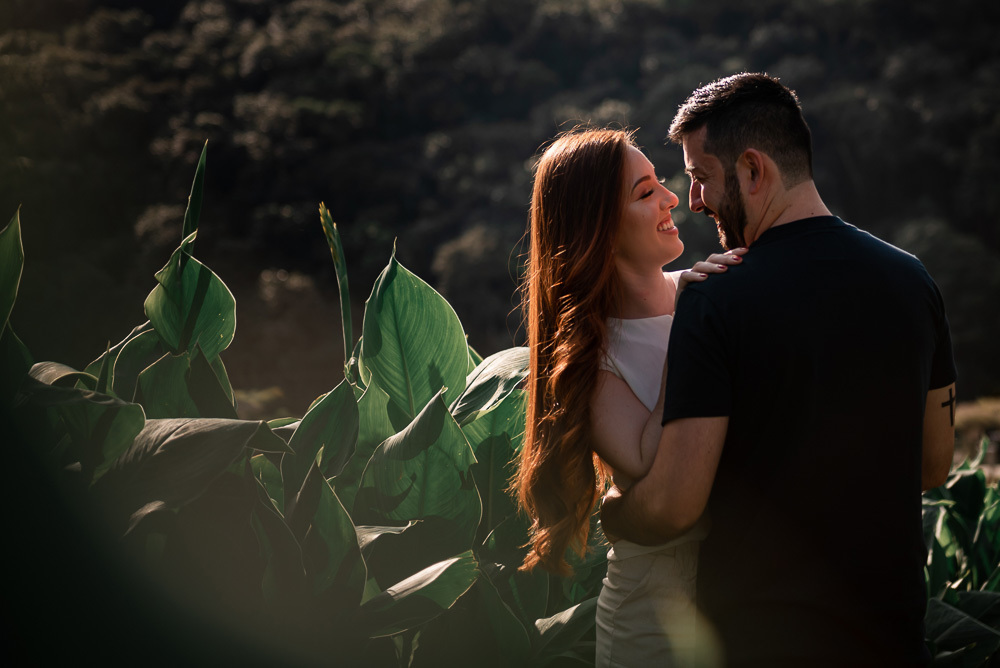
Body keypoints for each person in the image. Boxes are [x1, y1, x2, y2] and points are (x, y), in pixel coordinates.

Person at [600, 73, 957, 667]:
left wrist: (613, 512)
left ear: (752, 170)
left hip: (763, 641)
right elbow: (933, 462)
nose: (692, 202)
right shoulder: (913, 280)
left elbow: (672, 507)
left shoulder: (716, 300)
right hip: (892, 638)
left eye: (700, 177)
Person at [512, 127, 743, 667]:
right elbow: (647, 462)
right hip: (651, 616)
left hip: (740, 603)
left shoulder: (709, 289)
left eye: (660, 183)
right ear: (599, 229)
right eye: (644, 193)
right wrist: (690, 331)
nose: (670, 198)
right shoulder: (586, 359)